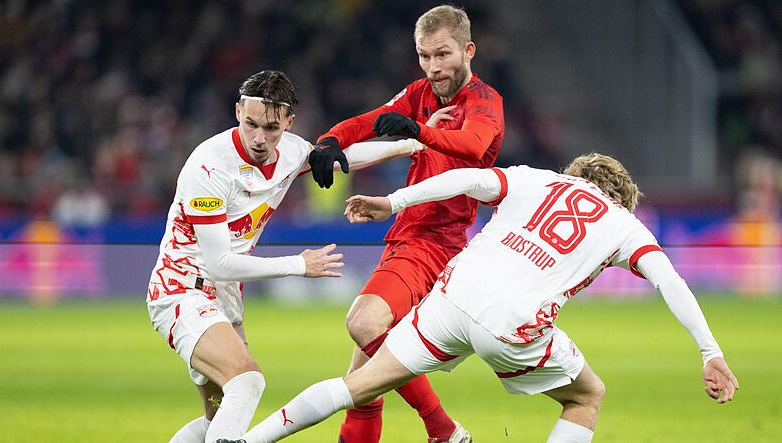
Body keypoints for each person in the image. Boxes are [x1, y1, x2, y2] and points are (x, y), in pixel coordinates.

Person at [238, 154, 739, 443]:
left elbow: (467, 180)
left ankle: (246, 440)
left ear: (576, 173)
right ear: (622, 197)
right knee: (586, 396)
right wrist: (710, 353)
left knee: (360, 383)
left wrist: (393, 201)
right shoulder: (624, 224)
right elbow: (669, 280)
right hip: (514, 323)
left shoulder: (536, 178)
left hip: (453, 296)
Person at [146, 70, 426, 443]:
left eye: (272, 128)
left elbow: (343, 158)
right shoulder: (208, 166)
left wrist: (410, 145)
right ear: (237, 112)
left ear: (289, 123)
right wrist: (298, 265)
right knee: (247, 383)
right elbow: (219, 263)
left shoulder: (292, 151)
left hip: (224, 297)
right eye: (251, 124)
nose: (260, 138)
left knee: (217, 424)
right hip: (181, 290)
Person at [307, 4, 504, 443]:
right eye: (424, 56)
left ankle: (444, 429)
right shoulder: (420, 93)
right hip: (409, 236)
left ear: (468, 50)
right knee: (361, 384)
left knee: (363, 324)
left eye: (443, 55)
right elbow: (368, 121)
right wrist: (328, 142)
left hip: (435, 241)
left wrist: (416, 131)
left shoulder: (485, 102)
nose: (433, 68)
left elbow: (472, 146)